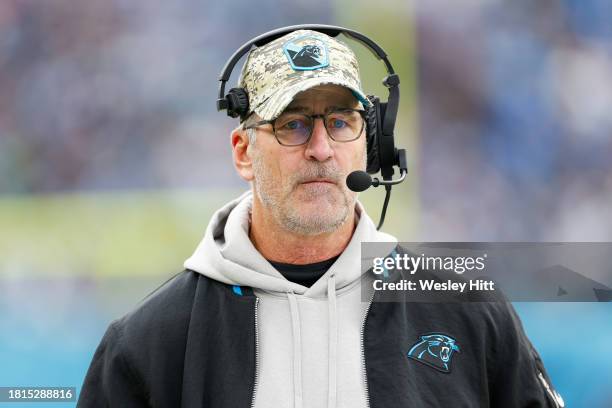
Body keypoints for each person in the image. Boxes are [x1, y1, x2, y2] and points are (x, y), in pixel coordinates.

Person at [77, 27, 563, 408]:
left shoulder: (467, 311)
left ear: (369, 144)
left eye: (340, 122)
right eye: (292, 124)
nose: (321, 149)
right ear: (243, 152)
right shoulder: (149, 341)